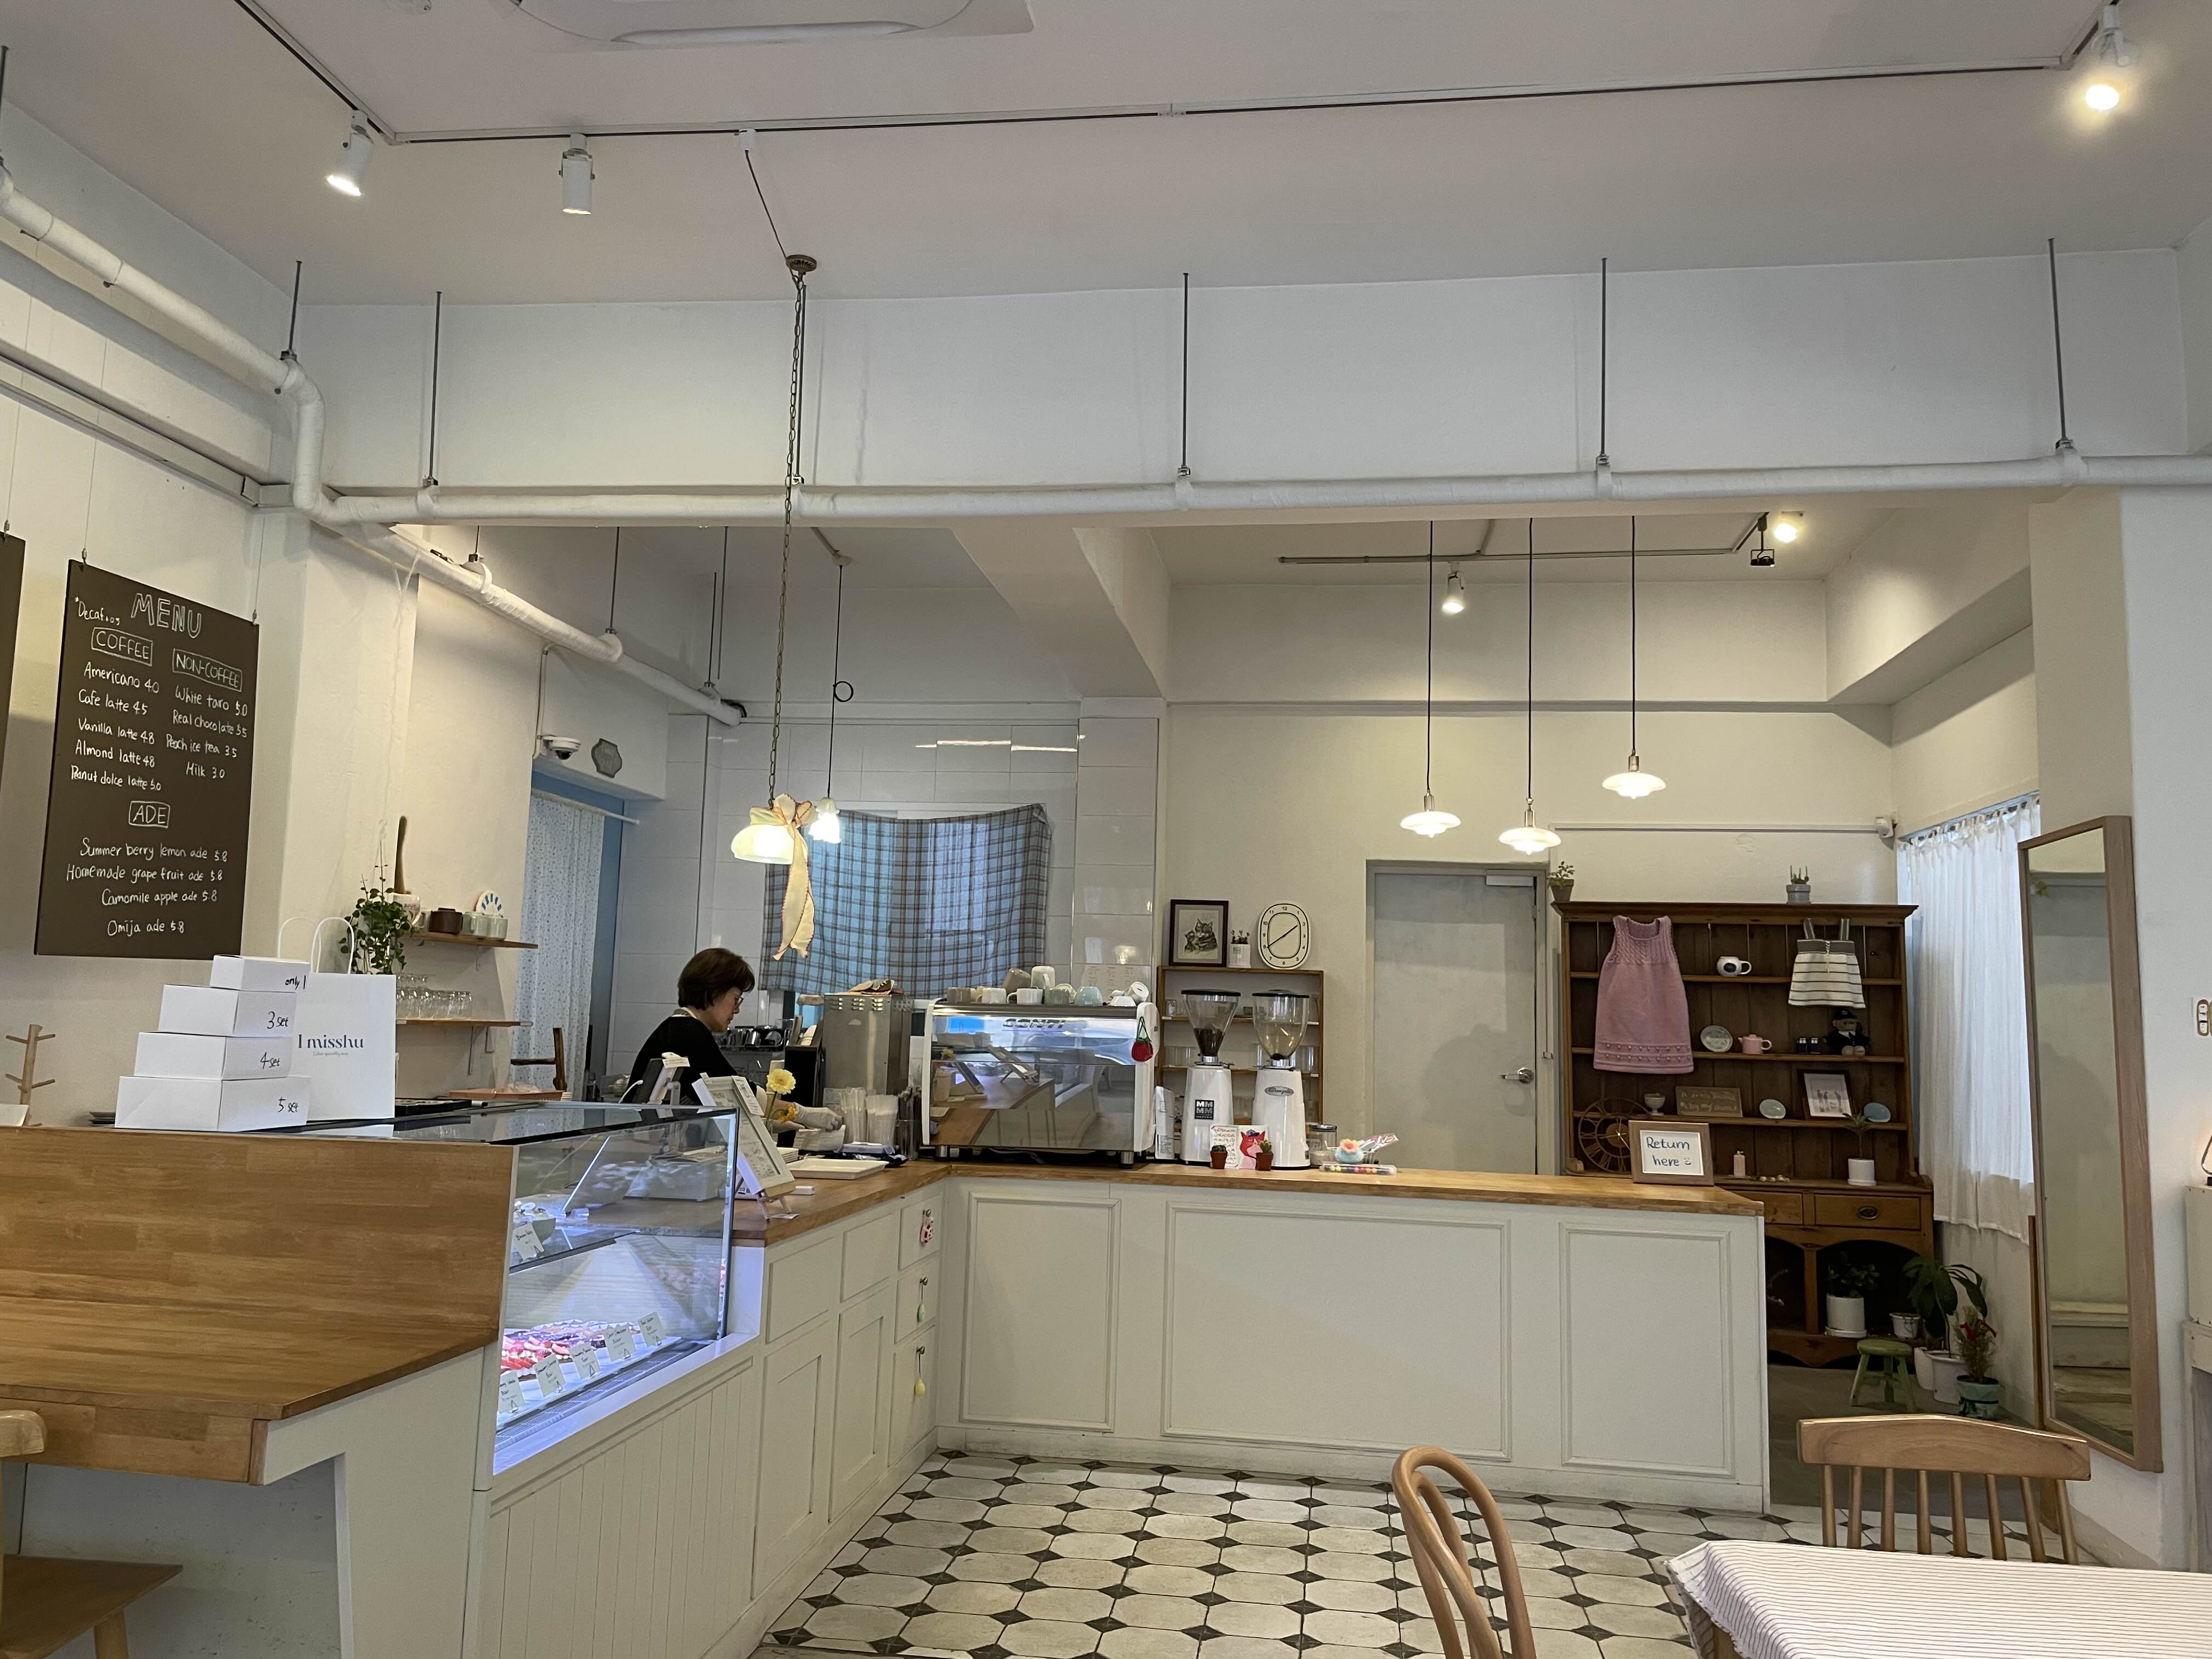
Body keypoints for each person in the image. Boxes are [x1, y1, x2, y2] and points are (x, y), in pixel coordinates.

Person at [626, 947, 754, 1096]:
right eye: (736, 1000)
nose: (737, 1010)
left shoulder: (680, 1027)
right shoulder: (689, 1032)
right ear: (713, 992)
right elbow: (736, 1089)